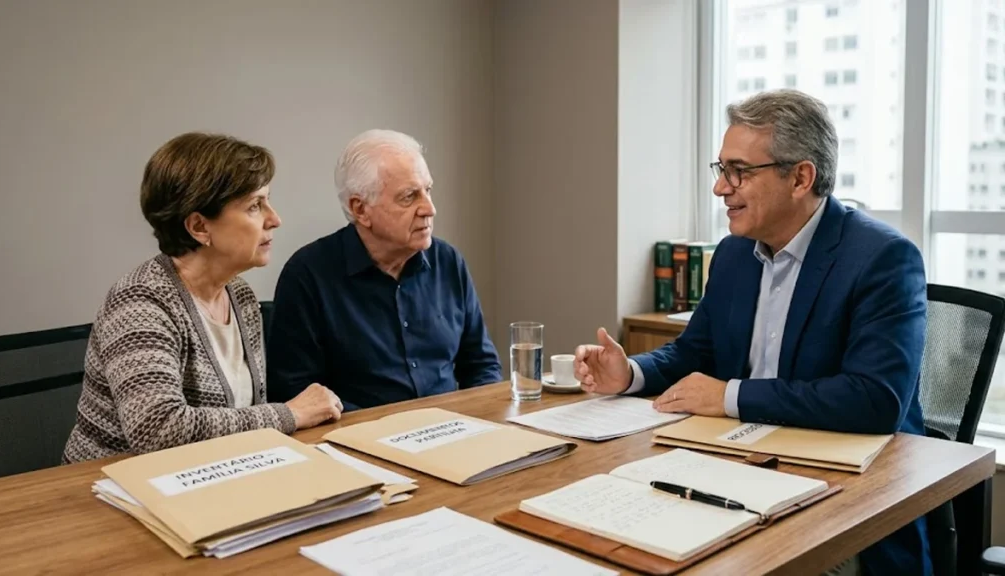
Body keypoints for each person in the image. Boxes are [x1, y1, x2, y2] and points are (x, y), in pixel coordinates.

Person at [574, 90, 930, 575]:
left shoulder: (882, 258)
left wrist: (728, 396)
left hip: (845, 500)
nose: (721, 188)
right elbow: (694, 351)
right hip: (734, 471)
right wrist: (630, 372)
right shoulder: (734, 254)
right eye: (719, 169)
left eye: (739, 171)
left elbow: (874, 399)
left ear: (801, 177)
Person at [63, 132, 342, 463]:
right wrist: (289, 415)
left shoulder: (240, 296)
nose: (274, 219)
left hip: (208, 478)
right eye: (255, 205)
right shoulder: (140, 301)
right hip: (107, 492)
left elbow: (241, 422)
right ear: (199, 227)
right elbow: (158, 430)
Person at [266, 129, 501, 410]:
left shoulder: (448, 262)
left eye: (428, 190)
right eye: (409, 197)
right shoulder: (307, 275)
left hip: (451, 430)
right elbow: (296, 393)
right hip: (356, 441)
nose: (429, 208)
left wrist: (484, 421)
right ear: (360, 209)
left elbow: (482, 366)